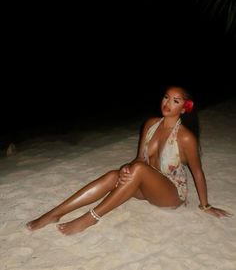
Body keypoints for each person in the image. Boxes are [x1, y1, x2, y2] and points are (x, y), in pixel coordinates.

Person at [26, 86, 232, 235]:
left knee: (138, 170)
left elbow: (197, 171)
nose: (167, 103)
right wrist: (128, 166)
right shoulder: (151, 124)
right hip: (145, 187)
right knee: (114, 175)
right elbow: (139, 159)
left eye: (175, 101)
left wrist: (205, 206)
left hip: (170, 195)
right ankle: (54, 213)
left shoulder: (185, 137)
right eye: (166, 97)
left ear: (184, 108)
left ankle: (90, 218)